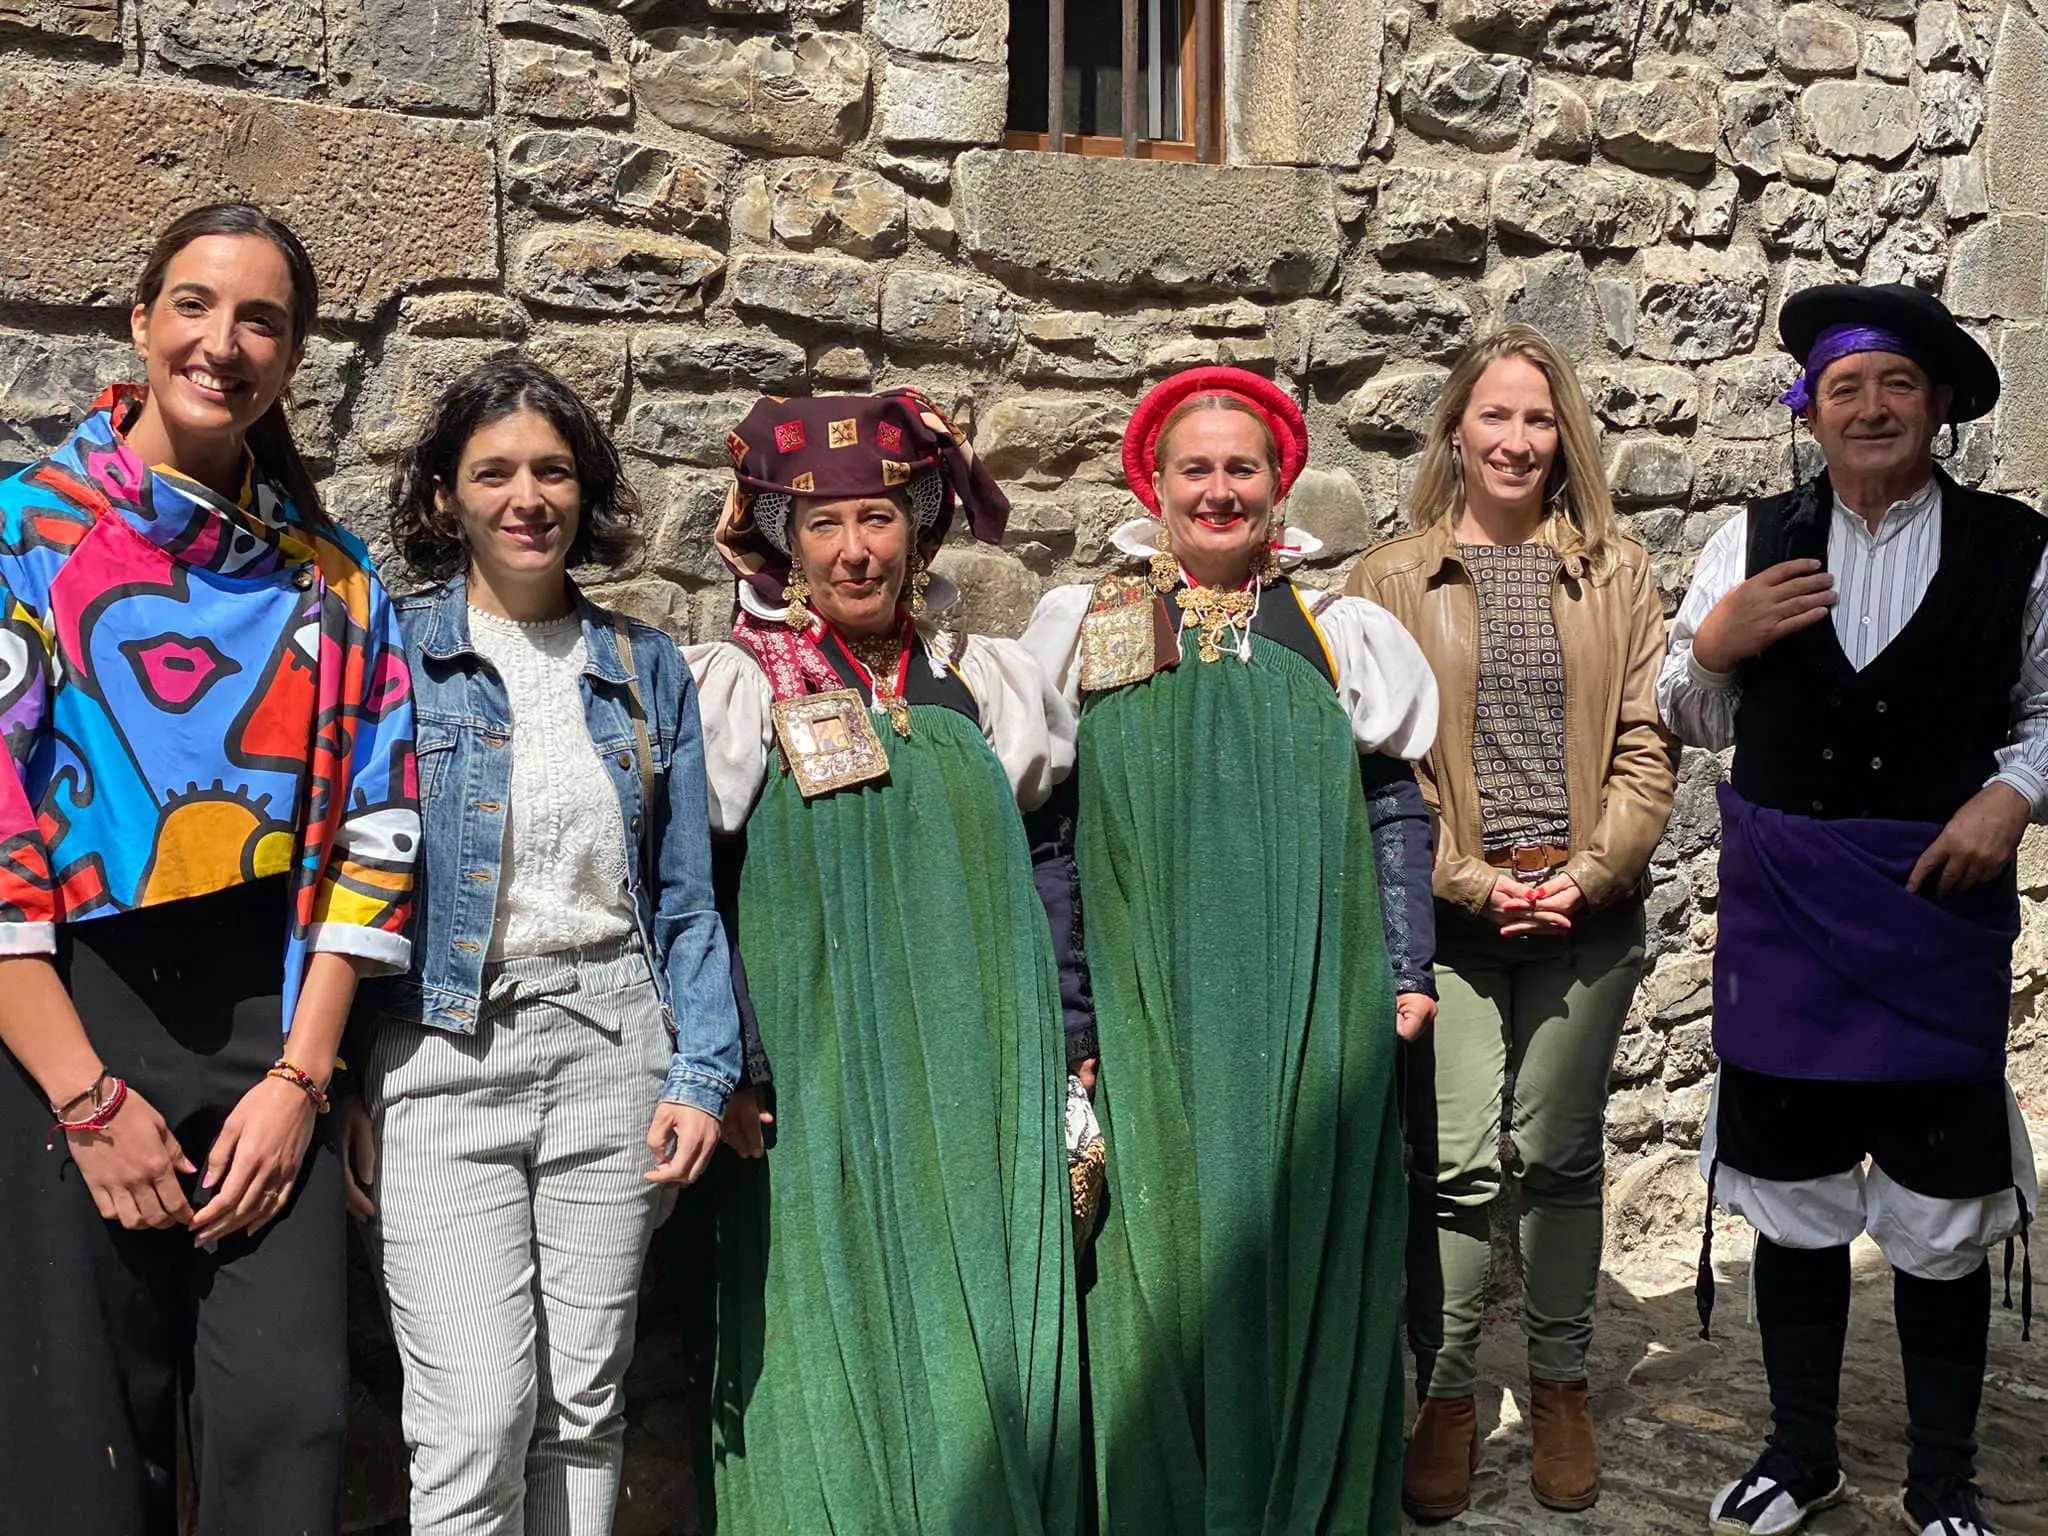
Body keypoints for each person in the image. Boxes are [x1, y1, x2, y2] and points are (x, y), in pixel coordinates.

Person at [0, 203, 417, 1532]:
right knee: (80, 1447)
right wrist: (81, 1094)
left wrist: (306, 1079)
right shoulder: (26, 535)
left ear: (294, 356)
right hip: (70, 1014)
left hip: (272, 1038)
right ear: (137, 320)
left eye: (260, 321)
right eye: (192, 305)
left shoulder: (335, 586)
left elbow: (378, 838)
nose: (221, 343)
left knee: (286, 1425)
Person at [1021, 364, 1440, 1533]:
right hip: (1148, 1010)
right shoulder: (1083, 624)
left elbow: (1391, 807)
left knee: (1301, 1240)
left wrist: (1404, 972)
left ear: (1277, 484)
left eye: (1239, 469)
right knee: (1157, 1255)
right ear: (1151, 484)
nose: (1217, 491)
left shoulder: (1336, 629)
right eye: (1193, 469)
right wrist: (1075, 1015)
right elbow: (1051, 835)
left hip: (1307, 1003)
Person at [1660, 283, 2042, 1536]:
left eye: (1895, 385)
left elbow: (2045, 715)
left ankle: (1939, 1481)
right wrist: (1714, 646)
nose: (1870, 407)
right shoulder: (1752, 537)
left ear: (1936, 407)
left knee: (1937, 1218)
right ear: (1809, 413)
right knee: (1798, 1195)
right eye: (1844, 388)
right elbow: (1687, 711)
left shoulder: (2014, 550)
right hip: (1788, 921)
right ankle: (1801, 1452)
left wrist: (2012, 795)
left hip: (1940, 912)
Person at [342, 358, 740, 1535]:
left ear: (586, 492)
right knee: (472, 1419)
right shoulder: (390, 651)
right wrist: (341, 1073)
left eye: (552, 471)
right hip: (437, 1058)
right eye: (494, 473)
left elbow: (683, 899)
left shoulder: (640, 664)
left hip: (612, 1047)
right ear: (443, 498)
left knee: (582, 1406)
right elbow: (339, 871)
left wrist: (700, 1070)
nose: (527, 497)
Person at [692, 389, 1085, 1534]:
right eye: (823, 526)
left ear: (917, 526)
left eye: (875, 520)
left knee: (983, 1285)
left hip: (981, 1050)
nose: (852, 550)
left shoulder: (982, 677)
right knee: (832, 1294)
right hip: (814, 1064)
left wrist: (1068, 1031)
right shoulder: (738, 684)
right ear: (782, 540)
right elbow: (699, 889)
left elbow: (1046, 860)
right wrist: (737, 1065)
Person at [1347, 324, 1679, 1519]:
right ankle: (1440, 1395)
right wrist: (1476, 885)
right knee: (1451, 1163)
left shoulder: (1616, 570)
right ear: (1454, 430)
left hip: (1584, 911)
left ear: (1562, 437)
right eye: (1494, 416)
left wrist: (1589, 876)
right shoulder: (1385, 581)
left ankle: (1556, 1385)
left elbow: (1648, 742)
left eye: (1537, 419)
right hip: (1453, 920)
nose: (1516, 440)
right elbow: (1375, 769)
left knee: (1556, 1153)